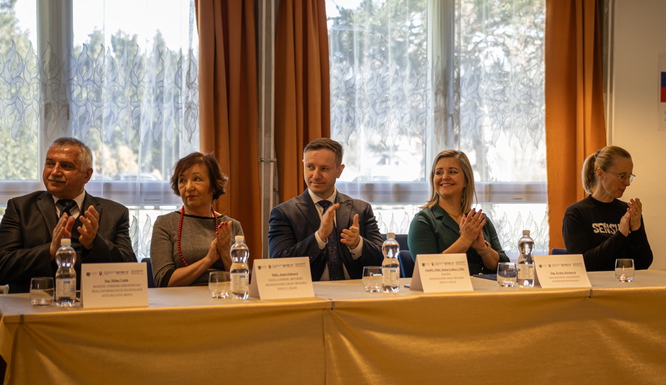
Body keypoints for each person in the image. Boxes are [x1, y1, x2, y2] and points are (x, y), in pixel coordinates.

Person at [0, 137, 137, 293]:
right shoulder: (20, 208)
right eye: (50, 163)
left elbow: (130, 271)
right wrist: (50, 250)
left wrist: (94, 243)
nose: (54, 172)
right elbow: (2, 267)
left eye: (66, 166)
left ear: (87, 175)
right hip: (33, 303)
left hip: (91, 304)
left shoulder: (115, 213)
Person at [268, 138, 384, 281]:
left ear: (339, 171)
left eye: (324, 169)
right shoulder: (284, 213)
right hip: (310, 291)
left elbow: (383, 260)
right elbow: (278, 264)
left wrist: (358, 245)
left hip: (355, 290)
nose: (316, 175)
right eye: (310, 167)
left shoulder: (361, 209)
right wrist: (319, 237)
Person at [150, 152, 244, 287]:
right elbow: (163, 281)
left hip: (222, 296)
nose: (188, 187)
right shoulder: (165, 224)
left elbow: (242, 281)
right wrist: (208, 259)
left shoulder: (232, 225)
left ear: (213, 185)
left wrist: (225, 253)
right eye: (182, 181)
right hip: (180, 299)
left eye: (197, 179)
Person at [408, 150, 509, 275]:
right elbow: (428, 269)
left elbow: (503, 267)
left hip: (484, 286)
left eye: (452, 172)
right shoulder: (423, 221)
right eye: (439, 172)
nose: (445, 177)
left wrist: (483, 248)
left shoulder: (479, 220)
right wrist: (465, 240)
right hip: (447, 287)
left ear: (466, 180)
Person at [562, 145, 653, 271]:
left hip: (625, 282)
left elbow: (643, 263)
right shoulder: (576, 213)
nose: (627, 183)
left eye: (629, 176)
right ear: (600, 173)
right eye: (622, 176)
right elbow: (583, 264)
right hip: (594, 284)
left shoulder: (627, 211)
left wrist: (637, 229)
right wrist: (620, 235)